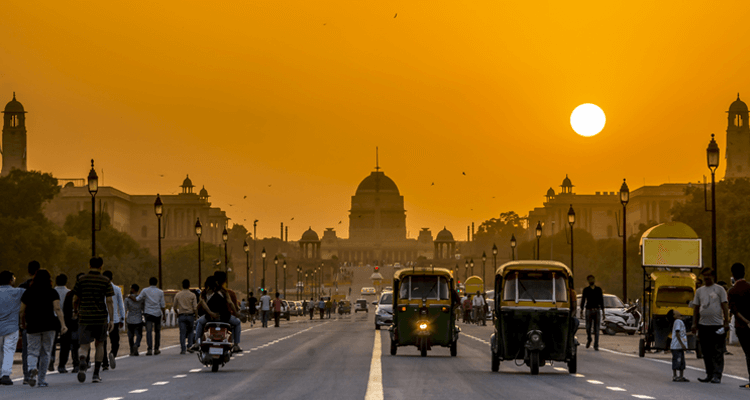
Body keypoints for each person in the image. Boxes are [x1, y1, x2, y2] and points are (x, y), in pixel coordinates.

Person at [20, 269, 67, 388]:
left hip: (33, 325)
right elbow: (57, 309)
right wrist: (63, 324)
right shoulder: (52, 292)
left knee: (32, 351)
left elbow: (21, 310)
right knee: (46, 352)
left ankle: (32, 369)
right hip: (49, 325)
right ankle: (41, 380)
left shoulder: (28, 292)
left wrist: (22, 323)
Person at [72, 257, 114, 384]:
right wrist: (111, 319)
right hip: (100, 318)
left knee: (84, 345)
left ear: (89, 265)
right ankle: (96, 374)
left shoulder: (81, 280)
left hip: (84, 317)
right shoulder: (105, 281)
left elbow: (75, 298)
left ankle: (83, 359)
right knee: (100, 344)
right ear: (101, 266)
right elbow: (109, 301)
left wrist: (76, 311)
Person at [691, 268, 730, 384]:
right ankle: (709, 374)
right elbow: (696, 308)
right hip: (703, 325)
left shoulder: (720, 289)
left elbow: (724, 305)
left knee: (717, 351)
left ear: (713, 276)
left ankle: (717, 375)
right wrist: (694, 323)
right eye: (704, 276)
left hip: (717, 325)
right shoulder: (699, 291)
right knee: (706, 351)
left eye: (708, 275)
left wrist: (726, 321)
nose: (706, 278)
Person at [0, 270, 25, 385]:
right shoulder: (19, 292)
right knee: (8, 351)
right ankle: (5, 375)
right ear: (11, 280)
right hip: (12, 327)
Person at [728, 262, 750, 389]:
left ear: (733, 275)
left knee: (748, 353)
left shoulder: (732, 291)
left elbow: (734, 311)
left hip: (741, 326)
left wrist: (746, 321)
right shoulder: (749, 287)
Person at [19, 260, 40, 385]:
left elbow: (20, 308)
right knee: (42, 349)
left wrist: (21, 323)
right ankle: (39, 373)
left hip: (27, 322)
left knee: (27, 350)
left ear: (28, 271)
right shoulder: (45, 286)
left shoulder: (22, 287)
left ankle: (27, 375)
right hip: (42, 321)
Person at [61, 273, 84, 373]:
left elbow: (65, 310)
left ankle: (63, 365)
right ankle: (77, 364)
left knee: (68, 345)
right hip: (77, 323)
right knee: (77, 345)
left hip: (70, 323)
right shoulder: (85, 294)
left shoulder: (70, 294)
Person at [101, 270, 124, 370]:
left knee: (102, 342)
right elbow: (120, 305)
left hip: (102, 319)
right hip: (114, 319)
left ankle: (105, 363)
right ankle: (112, 353)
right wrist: (122, 318)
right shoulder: (117, 289)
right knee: (115, 341)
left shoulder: (100, 288)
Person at [213, 272, 242, 352]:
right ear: (225, 280)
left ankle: (197, 342)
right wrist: (236, 313)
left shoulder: (210, 291)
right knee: (237, 323)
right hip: (225, 317)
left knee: (200, 323)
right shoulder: (228, 292)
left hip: (211, 317)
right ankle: (236, 345)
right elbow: (232, 304)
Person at [135, 277, 165, 356]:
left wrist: (130, 297)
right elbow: (162, 304)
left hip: (148, 313)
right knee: (157, 332)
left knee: (149, 332)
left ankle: (149, 349)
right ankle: (156, 349)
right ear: (156, 283)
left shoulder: (145, 290)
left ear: (149, 282)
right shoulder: (160, 292)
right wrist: (164, 314)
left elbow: (138, 299)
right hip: (157, 313)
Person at [49, 274, 70, 372]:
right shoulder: (69, 292)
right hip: (65, 319)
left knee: (51, 341)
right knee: (65, 343)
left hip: (52, 318)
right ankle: (62, 365)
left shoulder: (51, 292)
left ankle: (51, 358)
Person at [580, 275, 604, 350]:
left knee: (597, 329)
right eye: (589, 280)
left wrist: (603, 312)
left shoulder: (598, 290)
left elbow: (601, 301)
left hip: (597, 310)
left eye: (592, 279)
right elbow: (583, 300)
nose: (591, 281)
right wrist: (581, 310)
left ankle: (596, 344)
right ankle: (589, 338)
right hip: (588, 310)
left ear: (594, 280)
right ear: (588, 281)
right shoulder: (586, 290)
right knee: (588, 327)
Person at [174, 279, 198, 354]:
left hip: (181, 316)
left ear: (182, 285)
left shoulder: (178, 294)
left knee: (182, 333)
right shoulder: (192, 295)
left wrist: (177, 313)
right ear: (189, 285)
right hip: (190, 315)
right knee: (190, 332)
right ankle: (190, 346)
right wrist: (196, 316)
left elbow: (174, 306)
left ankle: (183, 349)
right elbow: (195, 307)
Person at [668, 309, 689, 382]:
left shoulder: (679, 322)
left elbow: (682, 334)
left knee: (681, 361)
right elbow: (677, 334)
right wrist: (682, 344)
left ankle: (681, 376)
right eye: (675, 311)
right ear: (674, 316)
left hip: (678, 346)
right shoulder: (678, 322)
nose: (677, 311)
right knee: (677, 361)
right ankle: (675, 376)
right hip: (677, 346)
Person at [124, 284, 144, 356]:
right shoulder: (141, 299)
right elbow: (143, 308)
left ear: (133, 289)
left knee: (130, 336)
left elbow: (125, 309)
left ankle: (132, 351)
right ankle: (136, 345)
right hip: (138, 319)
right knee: (139, 335)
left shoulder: (127, 299)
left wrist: (123, 318)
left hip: (130, 319)